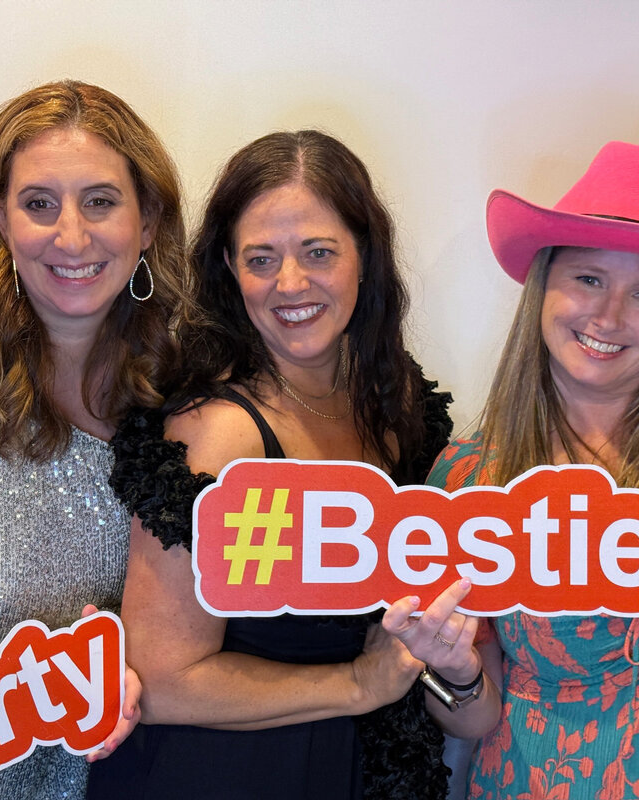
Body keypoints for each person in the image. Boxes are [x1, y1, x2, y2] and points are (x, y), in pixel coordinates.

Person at [87, 130, 454, 799]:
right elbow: (163, 680)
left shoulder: (398, 405)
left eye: (318, 252)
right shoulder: (219, 433)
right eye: (261, 258)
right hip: (218, 776)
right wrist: (354, 685)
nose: (290, 283)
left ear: (365, 256)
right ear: (229, 266)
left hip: (348, 768)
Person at [383, 140, 639, 797]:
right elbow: (472, 718)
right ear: (544, 286)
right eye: (588, 278)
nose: (608, 316)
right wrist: (454, 667)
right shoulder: (471, 478)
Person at [0, 79, 188, 800]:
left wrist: (130, 671)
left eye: (100, 201)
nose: (71, 236)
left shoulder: (180, 404)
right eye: (39, 204)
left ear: (148, 219)